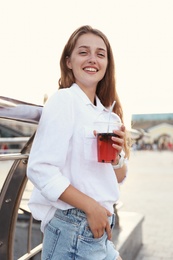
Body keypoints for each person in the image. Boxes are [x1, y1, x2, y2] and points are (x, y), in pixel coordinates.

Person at [27, 25, 130, 260]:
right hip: (73, 226)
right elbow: (40, 168)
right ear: (69, 62)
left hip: (100, 228)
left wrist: (117, 158)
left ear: (107, 64)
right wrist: (91, 207)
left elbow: (119, 177)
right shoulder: (64, 101)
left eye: (100, 54)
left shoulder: (109, 116)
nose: (92, 59)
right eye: (83, 52)